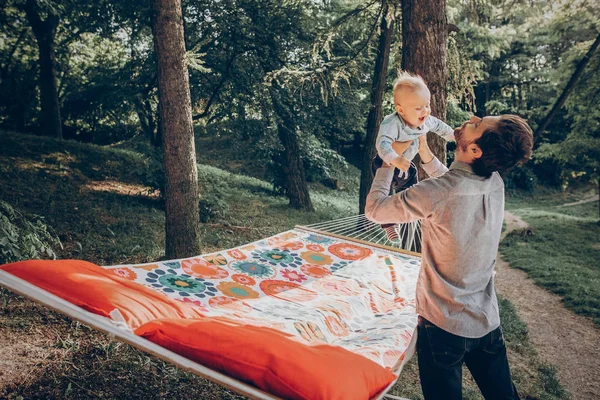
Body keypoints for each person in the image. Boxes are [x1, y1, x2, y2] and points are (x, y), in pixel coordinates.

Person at [365, 114, 534, 400]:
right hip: (486, 321)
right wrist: (426, 155)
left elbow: (376, 210)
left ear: (475, 150)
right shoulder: (494, 182)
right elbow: (453, 183)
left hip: (443, 327)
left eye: (477, 124)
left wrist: (386, 163)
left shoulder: (440, 192)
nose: (472, 118)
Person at [374, 71, 455, 243]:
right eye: (418, 108)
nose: (425, 111)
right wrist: (395, 159)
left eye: (427, 105)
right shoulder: (392, 123)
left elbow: (441, 128)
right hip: (386, 163)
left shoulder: (426, 120)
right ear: (401, 110)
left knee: (411, 187)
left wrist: (456, 137)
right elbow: (382, 145)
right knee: (385, 192)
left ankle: (406, 211)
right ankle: (389, 224)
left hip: (407, 165)